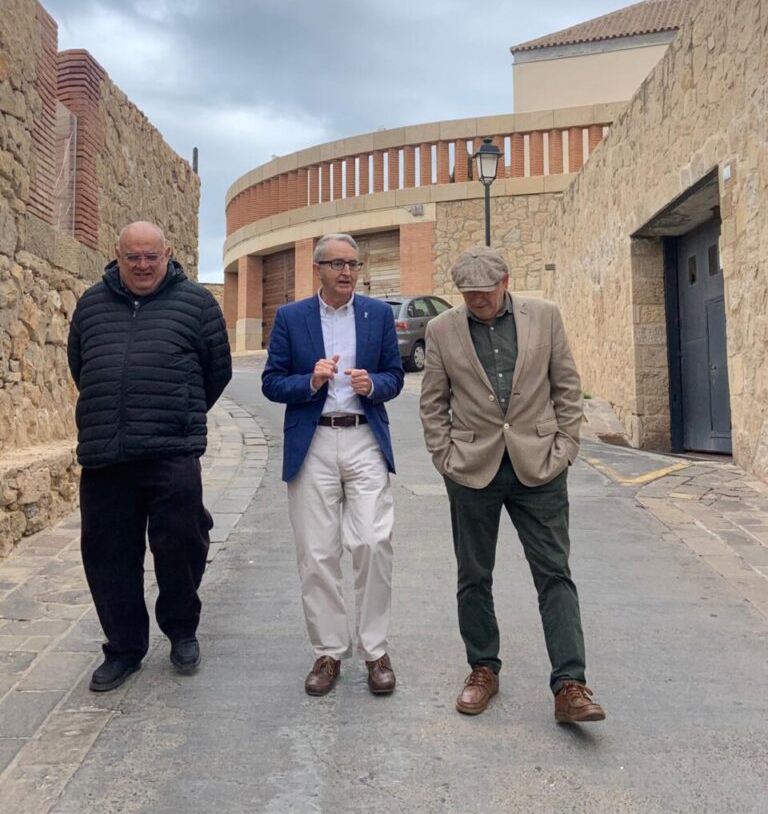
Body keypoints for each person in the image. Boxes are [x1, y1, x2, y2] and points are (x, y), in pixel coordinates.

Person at [419, 245, 605, 723]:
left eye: (485, 291)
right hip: (471, 469)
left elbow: (567, 386)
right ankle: (483, 669)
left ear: (505, 282)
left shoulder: (544, 316)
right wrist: (445, 458)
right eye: (468, 294)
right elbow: (433, 402)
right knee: (473, 575)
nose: (477, 300)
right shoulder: (441, 329)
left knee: (554, 573)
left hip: (540, 467)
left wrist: (565, 448)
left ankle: (570, 684)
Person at [67, 221, 232, 692]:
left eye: (151, 257)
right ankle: (123, 648)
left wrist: (178, 411)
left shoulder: (197, 303)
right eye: (133, 257)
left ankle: (181, 631)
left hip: (171, 450)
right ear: (117, 256)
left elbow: (216, 372)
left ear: (168, 254)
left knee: (181, 543)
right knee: (108, 554)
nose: (142, 265)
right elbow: (80, 364)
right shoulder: (91, 303)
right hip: (106, 452)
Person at [262, 233, 404, 696]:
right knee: (317, 551)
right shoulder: (291, 317)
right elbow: (271, 382)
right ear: (318, 269)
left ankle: (375, 650)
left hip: (364, 437)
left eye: (353, 264)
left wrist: (373, 385)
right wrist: (310, 380)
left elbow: (395, 376)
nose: (347, 272)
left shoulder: (378, 314)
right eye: (337, 264)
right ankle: (328, 652)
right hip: (314, 441)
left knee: (373, 542)